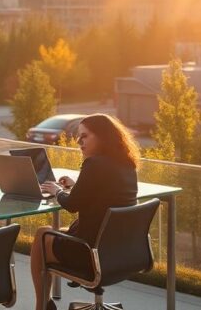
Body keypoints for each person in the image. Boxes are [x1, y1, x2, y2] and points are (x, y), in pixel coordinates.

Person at [30, 113, 139, 310]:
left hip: (91, 253)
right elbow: (103, 194)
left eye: (85, 136)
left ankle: (41, 306)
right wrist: (76, 185)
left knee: (41, 234)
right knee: (54, 232)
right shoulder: (127, 164)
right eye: (78, 137)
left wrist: (58, 191)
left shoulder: (94, 164)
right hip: (120, 251)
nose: (79, 141)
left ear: (103, 136)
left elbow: (72, 205)